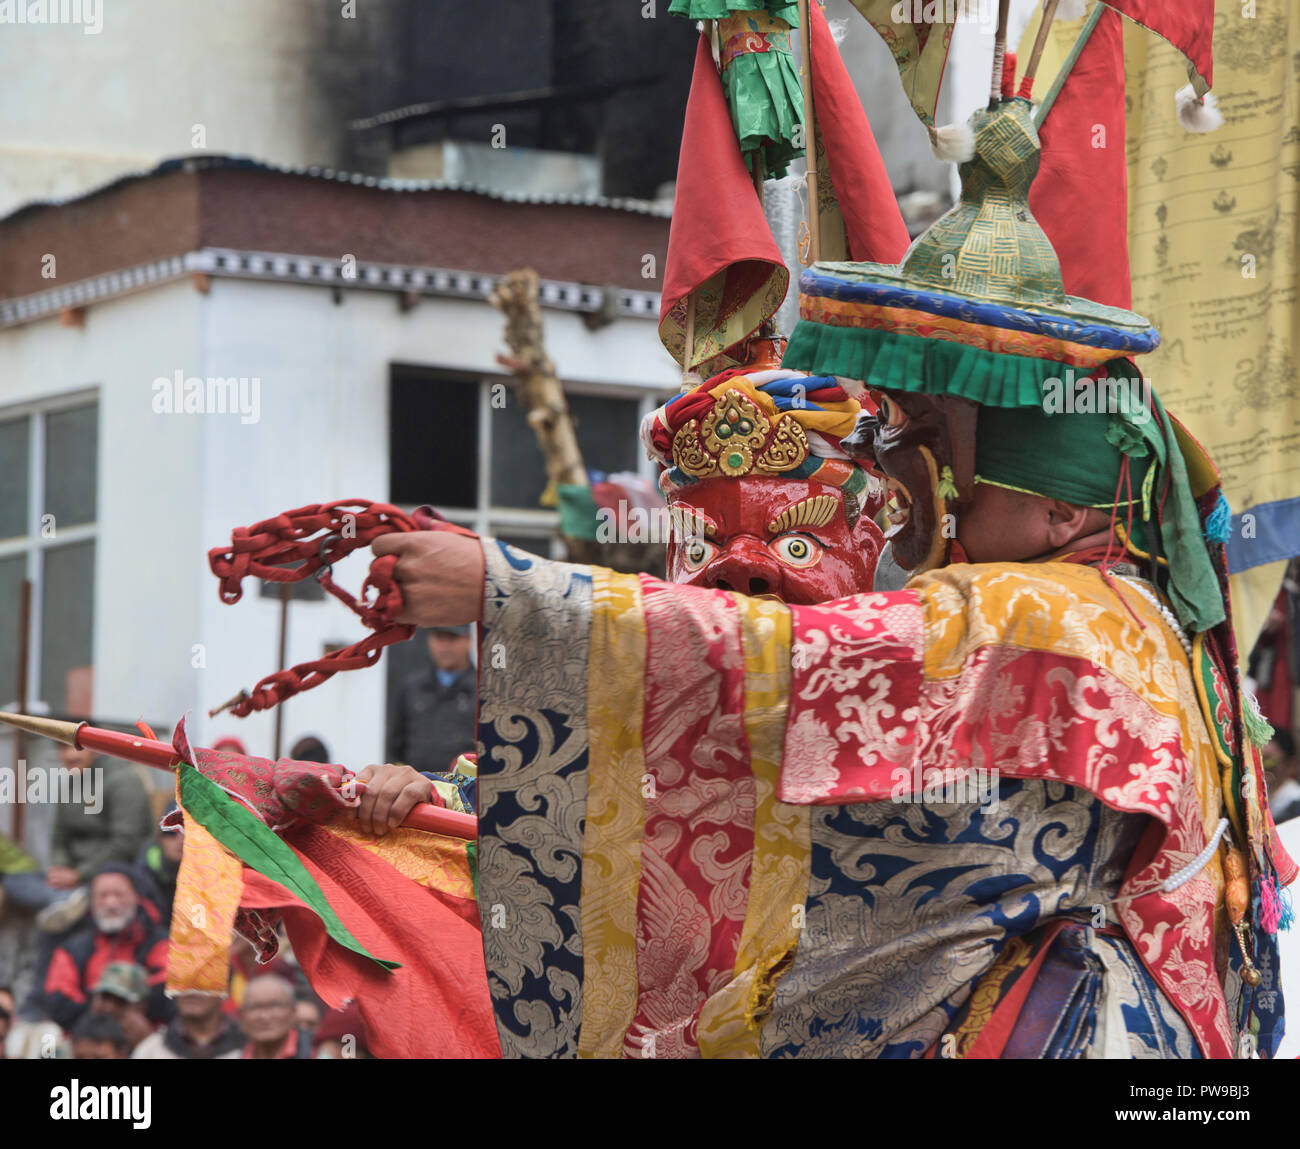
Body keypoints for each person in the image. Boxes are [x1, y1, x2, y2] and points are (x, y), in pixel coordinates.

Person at [359, 95, 1292, 1059]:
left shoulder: (1048, 612)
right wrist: (422, 809)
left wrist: (507, 587)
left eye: (957, 466)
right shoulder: (1127, 614)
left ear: (1063, 513)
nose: (941, 500)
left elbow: (801, 670)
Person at [1, 744, 153, 938]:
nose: (68, 754)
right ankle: (65, 899)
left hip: (113, 872)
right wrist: (60, 869)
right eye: (62, 748)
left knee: (53, 927)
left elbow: (125, 843)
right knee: (15, 880)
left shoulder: (123, 780)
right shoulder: (71, 784)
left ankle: (71, 901)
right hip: (72, 880)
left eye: (75, 747)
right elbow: (59, 837)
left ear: (95, 748)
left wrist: (79, 874)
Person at [40, 863, 169, 1031]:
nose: (111, 903)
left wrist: (118, 1006)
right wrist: (102, 1014)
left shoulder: (161, 942)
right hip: (86, 1039)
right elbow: (59, 1001)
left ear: (137, 897)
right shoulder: (72, 949)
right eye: (102, 896)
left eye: (119, 894)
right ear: (91, 902)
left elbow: (168, 990)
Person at [386, 625, 477, 776]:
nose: (445, 646)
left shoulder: (483, 691)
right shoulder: (411, 689)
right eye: (439, 638)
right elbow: (396, 745)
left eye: (452, 639)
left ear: (469, 640)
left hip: (466, 791)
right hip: (418, 788)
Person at [132, 991, 244, 1059]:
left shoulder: (250, 1048)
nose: (192, 992)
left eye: (203, 984)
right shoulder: (150, 1050)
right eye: (184, 983)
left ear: (225, 992)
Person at [239, 974, 311, 1059]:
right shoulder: (232, 1055)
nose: (265, 1016)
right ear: (241, 1016)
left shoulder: (317, 1051)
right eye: (255, 1007)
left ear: (293, 1012)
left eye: (274, 1005)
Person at [89, 962, 156, 1052]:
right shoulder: (78, 1040)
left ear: (141, 1007)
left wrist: (146, 1044)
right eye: (105, 997)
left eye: (121, 1002)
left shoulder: (159, 1047)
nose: (109, 1008)